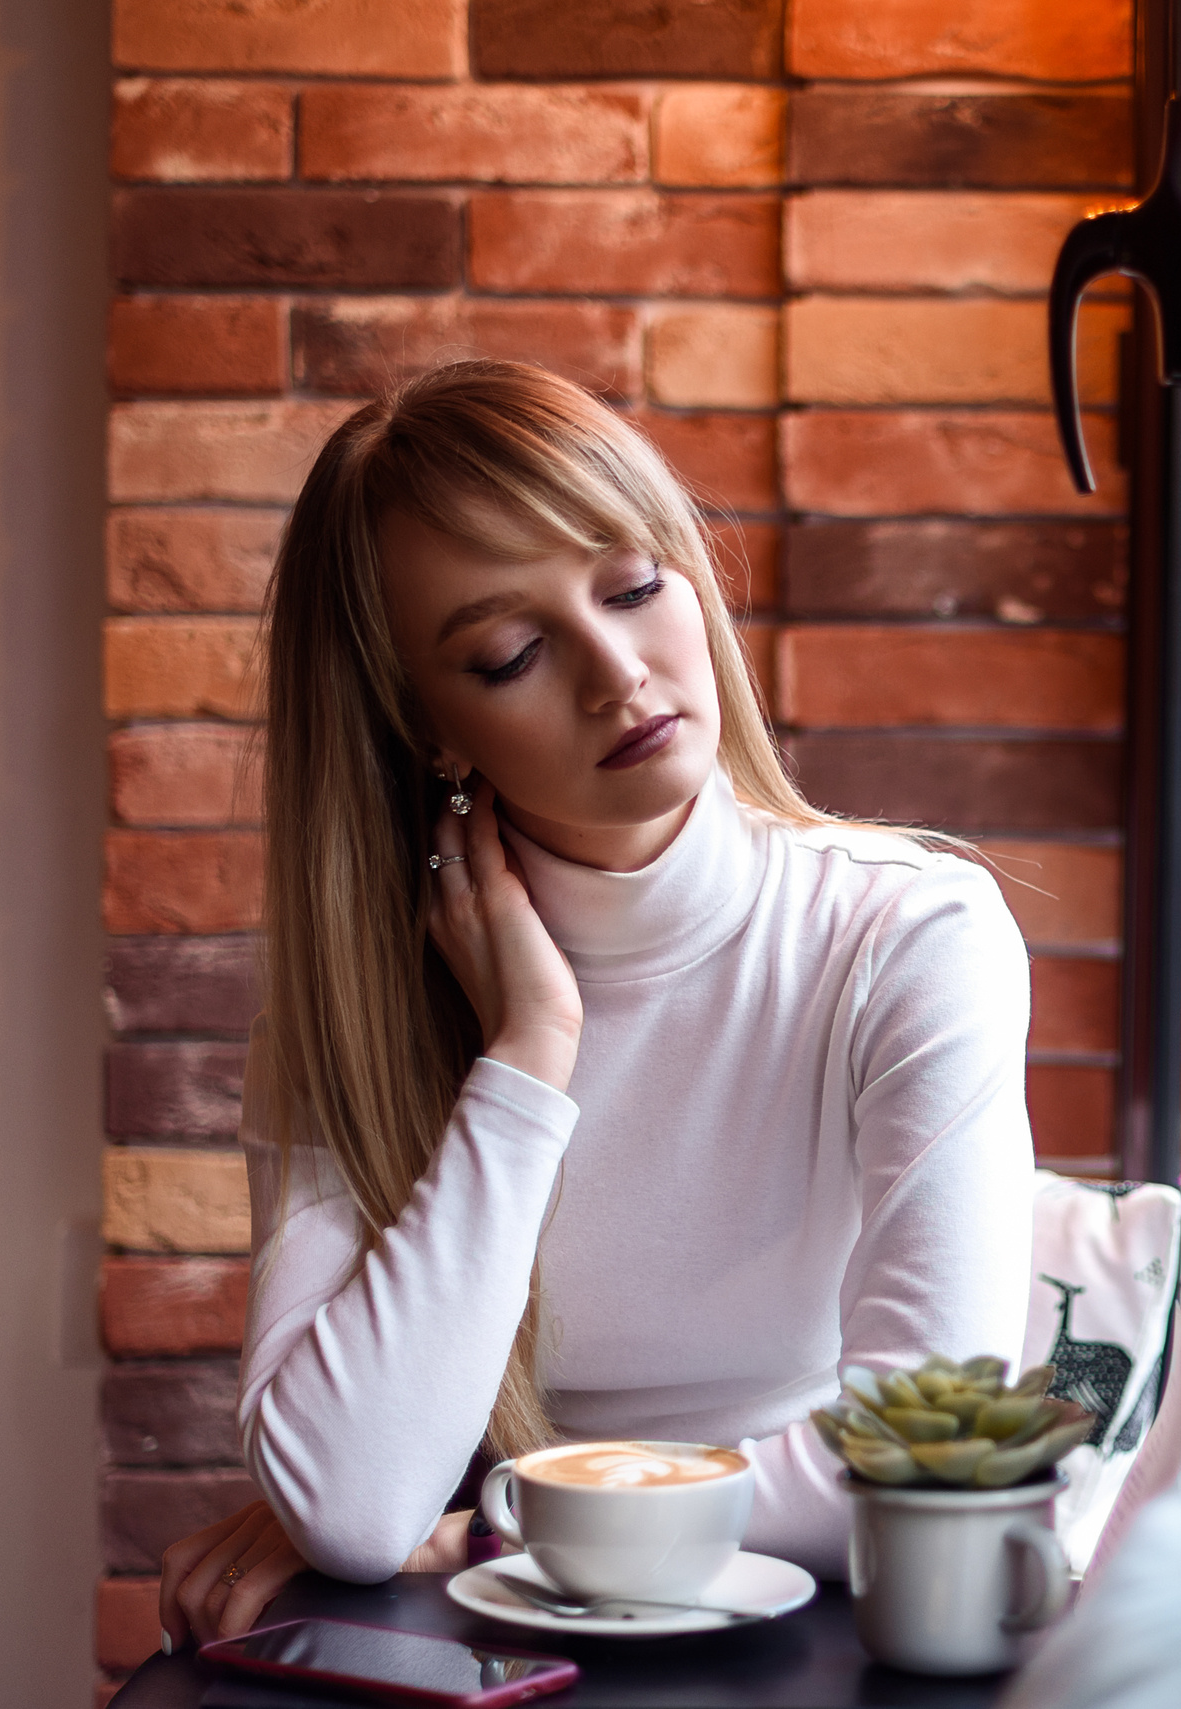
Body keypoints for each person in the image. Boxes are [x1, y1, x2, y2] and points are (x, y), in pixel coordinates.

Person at [155, 361, 1036, 1648]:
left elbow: (922, 1440)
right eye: (510, 652)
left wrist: (497, 1524)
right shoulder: (351, 1016)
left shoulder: (906, 935)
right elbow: (350, 1505)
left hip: (812, 1630)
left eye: (633, 586)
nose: (618, 669)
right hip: (491, 1648)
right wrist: (527, 1053)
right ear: (427, 726)